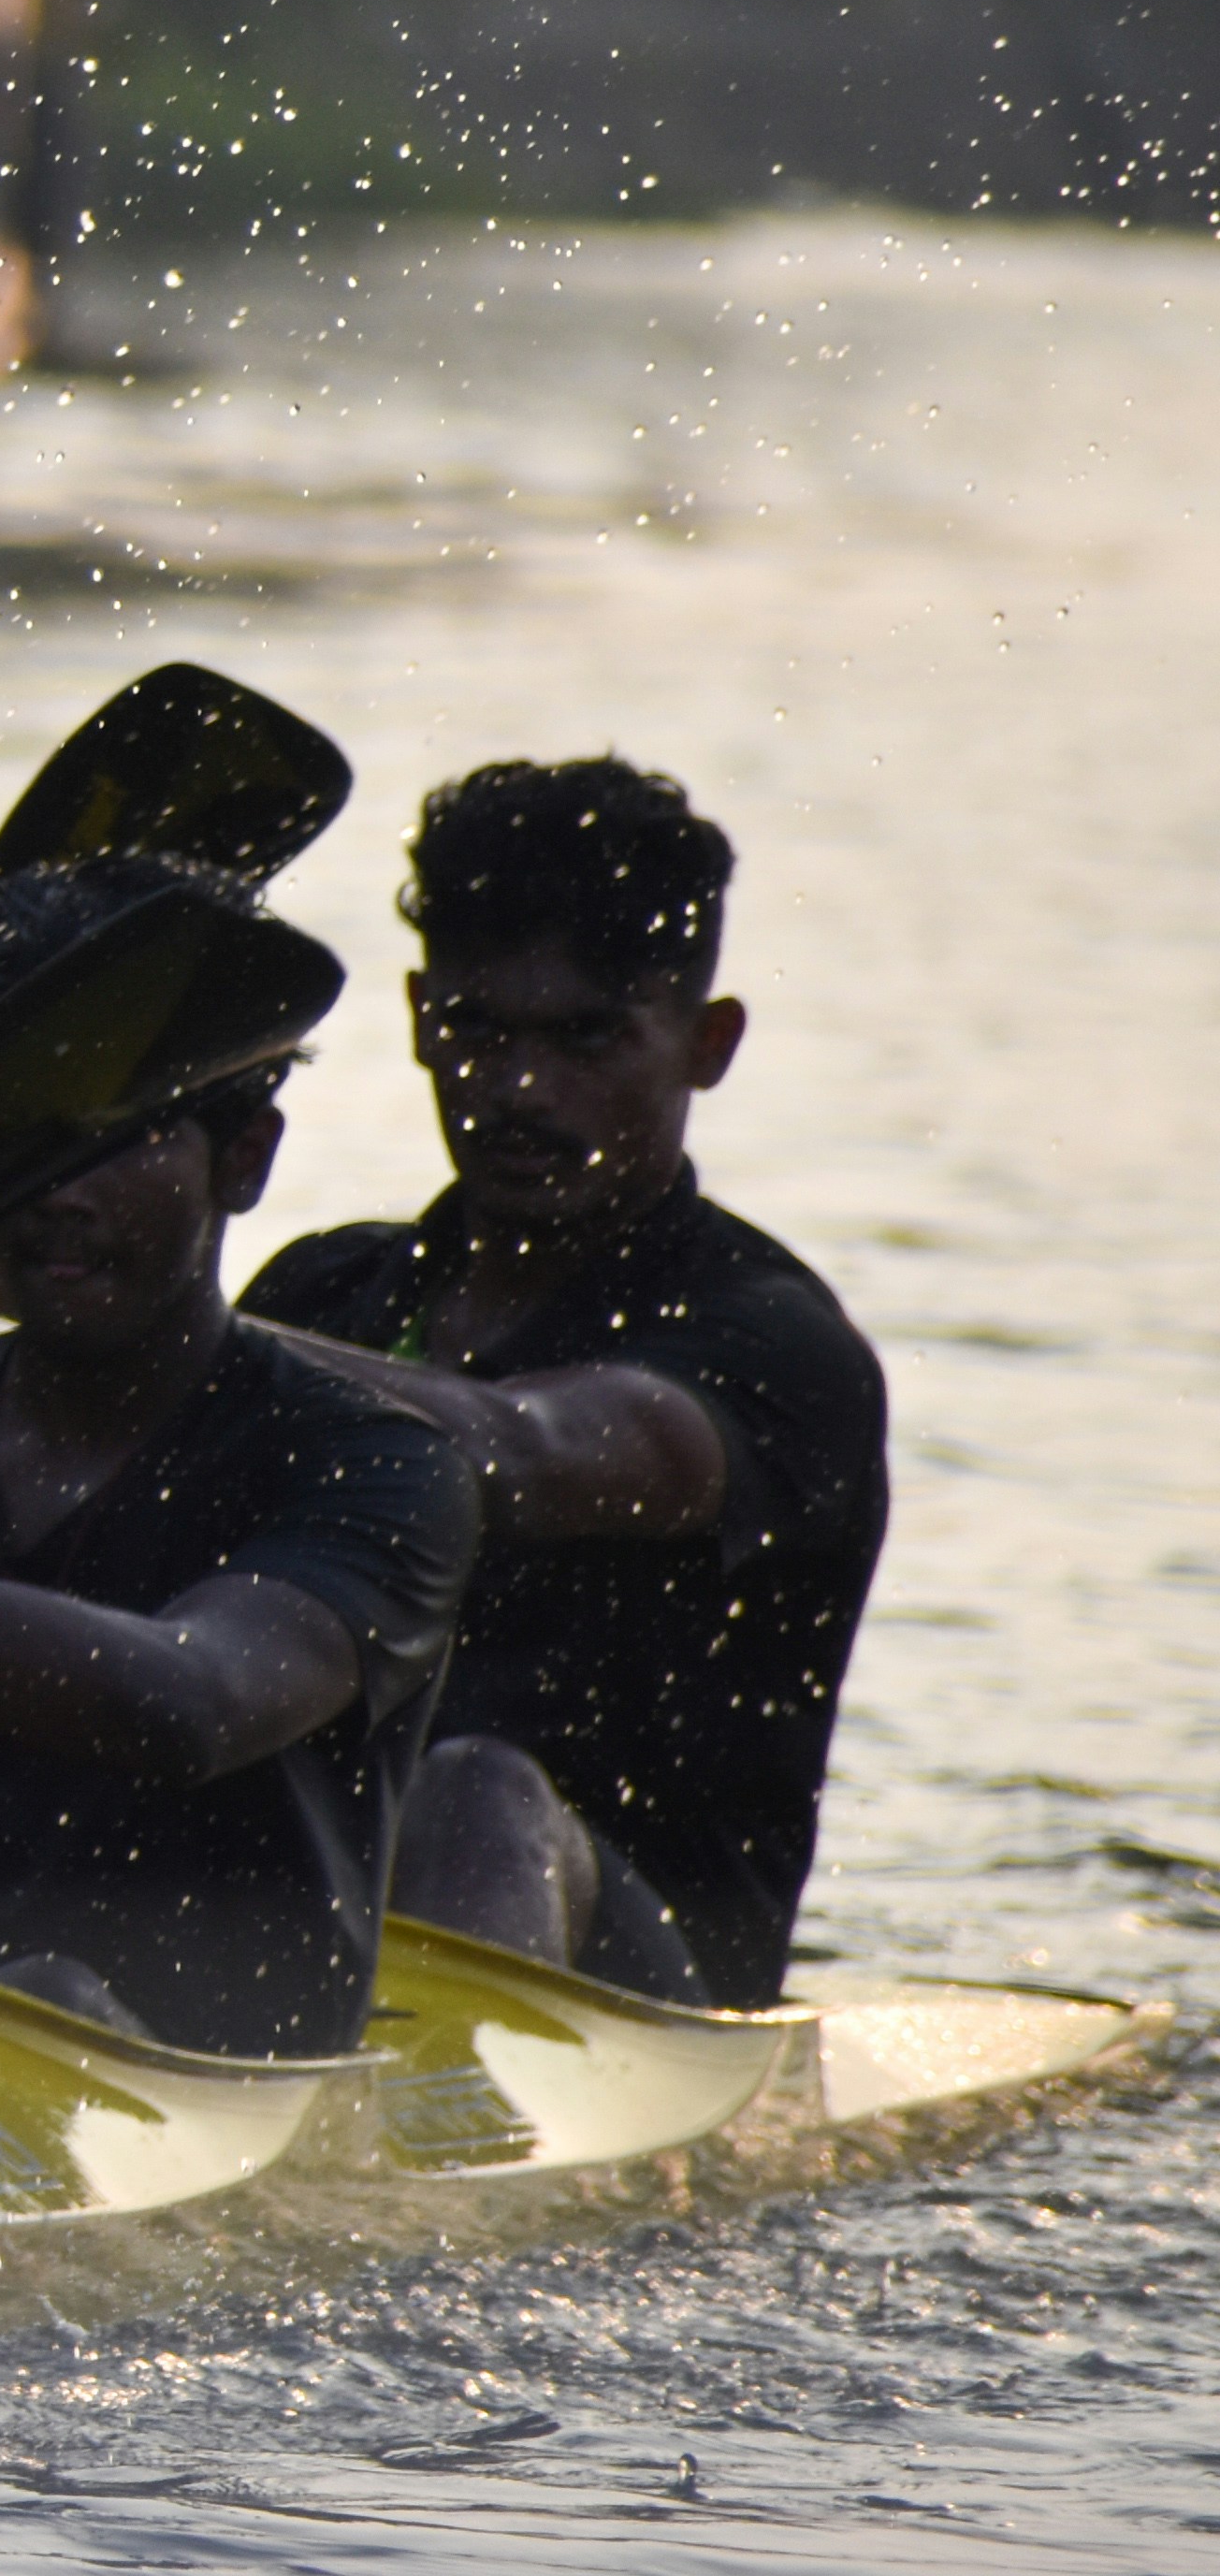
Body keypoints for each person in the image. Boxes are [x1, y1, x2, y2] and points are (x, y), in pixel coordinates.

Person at [0, 863, 477, 2056]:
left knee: (48, 1999)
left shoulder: (378, 1469)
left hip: (204, 2108)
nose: (58, 1191)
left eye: (120, 1136)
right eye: (24, 1133)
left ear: (246, 1161)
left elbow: (186, 1703)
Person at [242, 759, 887, 2007]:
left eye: (589, 1036)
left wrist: (164, 1343)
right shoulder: (324, 1296)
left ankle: (445, 2166)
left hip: (653, 1995)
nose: (521, 1090)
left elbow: (521, 1453)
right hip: (313, 1932)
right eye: (479, 1029)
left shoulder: (775, 1342)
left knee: (474, 1791)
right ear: (423, 1017)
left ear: (709, 1044)